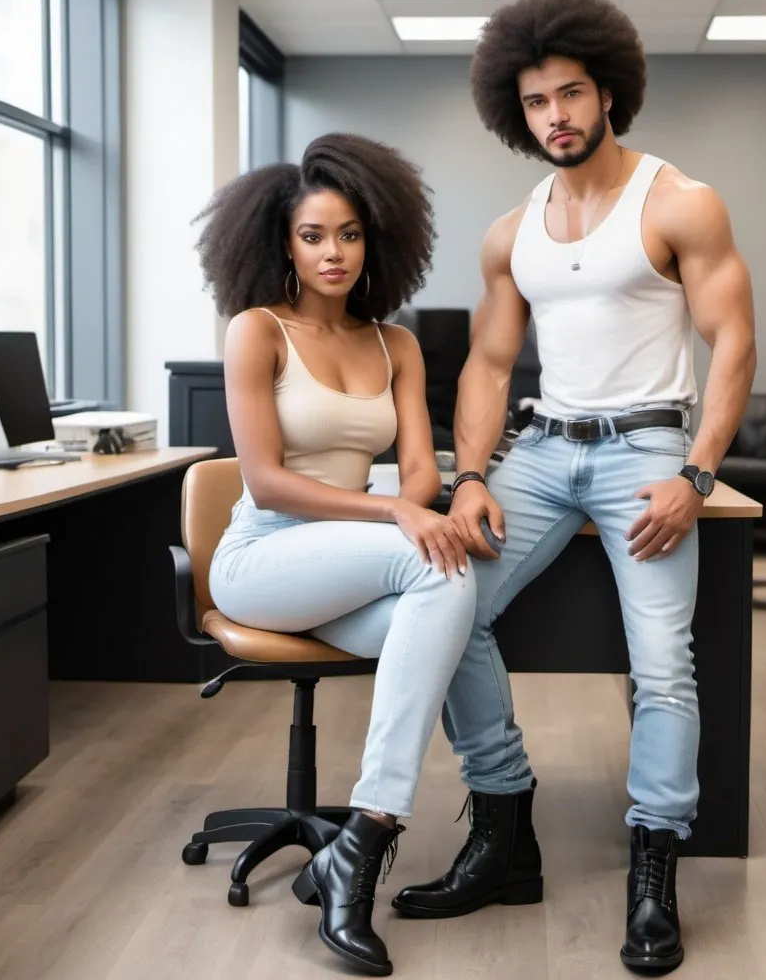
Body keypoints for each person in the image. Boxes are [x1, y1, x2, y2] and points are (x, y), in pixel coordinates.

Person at [391, 0, 757, 974]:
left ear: (608, 93)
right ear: (516, 112)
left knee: (662, 660)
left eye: (570, 93)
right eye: (536, 100)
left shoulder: (680, 202)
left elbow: (731, 345)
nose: (554, 113)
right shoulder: (512, 233)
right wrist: (471, 476)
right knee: (449, 608)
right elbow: (486, 365)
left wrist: (698, 472)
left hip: (648, 451)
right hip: (541, 451)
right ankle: (506, 830)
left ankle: (654, 868)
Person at [194, 132, 476, 977]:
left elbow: (423, 467)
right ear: (282, 241)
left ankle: (358, 844)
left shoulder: (396, 345)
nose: (332, 252)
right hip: (264, 561)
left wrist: (433, 498)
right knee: (433, 564)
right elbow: (270, 484)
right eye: (313, 235)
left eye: (349, 234)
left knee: (451, 589)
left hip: (347, 562)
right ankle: (370, 844)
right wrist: (396, 508)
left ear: (376, 239)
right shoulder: (257, 332)